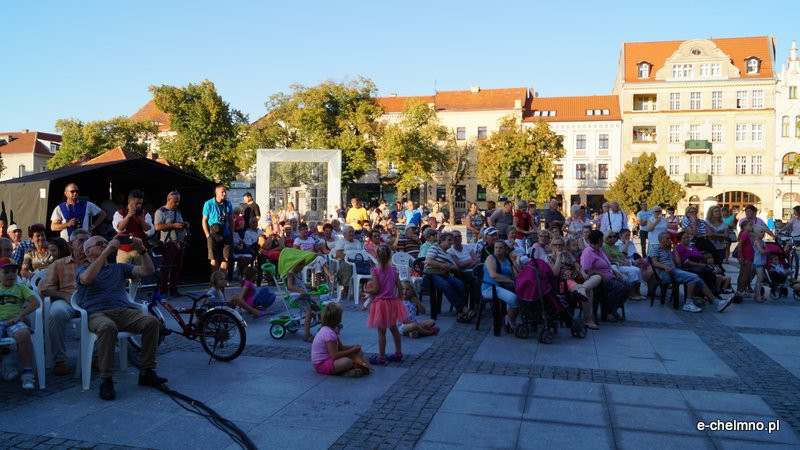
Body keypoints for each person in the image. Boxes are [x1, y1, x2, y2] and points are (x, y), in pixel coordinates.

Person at [76, 236, 166, 400]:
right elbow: (87, 279)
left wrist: (142, 249)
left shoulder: (118, 268)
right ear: (88, 252)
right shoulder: (82, 269)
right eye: (99, 244)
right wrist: (107, 251)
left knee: (152, 322)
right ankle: (106, 380)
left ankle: (147, 371)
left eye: (105, 242)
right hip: (97, 313)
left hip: (123, 311)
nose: (105, 244)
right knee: (107, 327)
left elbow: (148, 271)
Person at [39, 229, 89, 376]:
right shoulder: (59, 264)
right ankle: (59, 360)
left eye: (88, 240)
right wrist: (65, 296)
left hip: (91, 300)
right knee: (56, 313)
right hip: (67, 300)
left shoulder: (95, 262)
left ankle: (96, 356)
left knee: (104, 312)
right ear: (71, 244)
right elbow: (46, 289)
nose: (86, 244)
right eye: (81, 240)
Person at [648, 233, 733, 313]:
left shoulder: (668, 250)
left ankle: (716, 302)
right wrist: (665, 267)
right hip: (665, 274)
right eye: (667, 238)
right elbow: (654, 262)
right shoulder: (656, 249)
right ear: (661, 240)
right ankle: (690, 304)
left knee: (697, 279)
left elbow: (678, 264)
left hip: (674, 271)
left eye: (669, 238)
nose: (669, 240)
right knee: (695, 277)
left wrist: (675, 251)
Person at [0, 257, 40, 389]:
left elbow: (35, 303)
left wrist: (20, 315)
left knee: (24, 334)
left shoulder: (21, 288)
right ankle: (4, 365)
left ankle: (27, 372)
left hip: (14, 320)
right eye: (6, 272)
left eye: (13, 272)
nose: (10, 275)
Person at [362, 245, 406, 365]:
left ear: (377, 256)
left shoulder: (375, 271)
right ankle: (398, 353)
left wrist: (366, 290)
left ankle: (381, 356)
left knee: (381, 331)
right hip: (392, 302)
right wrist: (399, 300)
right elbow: (399, 287)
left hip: (381, 303)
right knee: (393, 328)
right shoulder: (393, 270)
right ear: (390, 256)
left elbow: (376, 289)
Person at [547, 236, 600, 330]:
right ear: (552, 246)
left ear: (564, 246)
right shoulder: (549, 257)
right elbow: (555, 273)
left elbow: (577, 265)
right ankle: (588, 320)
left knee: (597, 277)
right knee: (589, 291)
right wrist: (558, 257)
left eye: (560, 245)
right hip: (562, 282)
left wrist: (583, 274)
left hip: (576, 279)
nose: (558, 246)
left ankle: (582, 289)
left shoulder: (567, 254)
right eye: (555, 245)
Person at [580, 230, 630, 322]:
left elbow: (607, 264)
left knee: (628, 285)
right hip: (599, 280)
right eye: (602, 239)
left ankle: (612, 308)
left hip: (609, 275)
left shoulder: (599, 250)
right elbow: (587, 269)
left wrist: (615, 272)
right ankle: (610, 310)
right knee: (619, 287)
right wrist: (601, 274)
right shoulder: (588, 252)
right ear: (599, 240)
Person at [113, 189, 155, 292]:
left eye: (140, 203)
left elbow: (149, 232)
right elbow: (119, 229)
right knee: (121, 276)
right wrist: (128, 216)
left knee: (136, 277)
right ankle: (121, 297)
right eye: (136, 203)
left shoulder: (145, 214)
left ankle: (132, 298)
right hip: (124, 249)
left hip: (139, 250)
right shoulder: (120, 213)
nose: (139, 206)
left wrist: (141, 219)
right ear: (129, 201)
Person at [424, 232, 470, 322]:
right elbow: (429, 261)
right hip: (431, 274)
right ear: (442, 240)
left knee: (460, 284)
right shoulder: (434, 247)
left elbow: (455, 267)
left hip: (445, 275)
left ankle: (461, 313)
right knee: (446, 286)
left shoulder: (448, 254)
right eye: (449, 240)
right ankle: (464, 309)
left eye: (452, 240)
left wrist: (450, 267)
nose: (452, 242)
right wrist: (443, 266)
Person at [311, 302, 366, 377]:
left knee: (359, 352)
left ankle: (350, 368)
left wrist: (353, 347)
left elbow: (340, 347)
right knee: (347, 361)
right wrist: (352, 350)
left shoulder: (334, 329)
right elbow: (335, 355)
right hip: (321, 364)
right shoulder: (328, 333)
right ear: (337, 318)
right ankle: (345, 372)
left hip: (330, 359)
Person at [483, 240, 520, 332]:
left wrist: (514, 260)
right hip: (491, 287)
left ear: (505, 250)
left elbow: (517, 275)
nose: (498, 249)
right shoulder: (491, 258)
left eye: (500, 248)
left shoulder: (507, 260)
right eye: (496, 247)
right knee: (513, 298)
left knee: (522, 295)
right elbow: (493, 275)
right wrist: (510, 281)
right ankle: (511, 322)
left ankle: (507, 318)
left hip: (505, 287)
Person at [602, 232, 645, 300]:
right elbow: (609, 259)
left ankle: (638, 292)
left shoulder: (616, 246)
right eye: (610, 236)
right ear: (606, 238)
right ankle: (631, 293)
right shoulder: (605, 246)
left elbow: (622, 256)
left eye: (614, 236)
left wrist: (626, 261)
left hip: (622, 264)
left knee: (638, 270)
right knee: (633, 271)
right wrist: (622, 262)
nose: (612, 238)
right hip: (615, 265)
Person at [202, 185, 234, 272]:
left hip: (226, 234)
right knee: (214, 258)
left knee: (226, 258)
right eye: (222, 192)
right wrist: (207, 235)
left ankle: (222, 277)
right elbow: (204, 220)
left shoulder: (228, 204)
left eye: (225, 192)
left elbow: (231, 220)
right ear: (216, 193)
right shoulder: (208, 203)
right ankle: (215, 278)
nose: (224, 194)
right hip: (213, 234)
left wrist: (231, 233)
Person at [737, 220, 754, 298]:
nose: (752, 226)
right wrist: (742, 257)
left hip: (747, 257)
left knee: (742, 274)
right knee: (745, 275)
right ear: (744, 227)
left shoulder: (746, 234)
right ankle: (741, 291)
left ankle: (739, 290)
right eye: (750, 225)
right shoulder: (745, 234)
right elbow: (740, 246)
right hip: (746, 257)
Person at [752, 225, 768, 303]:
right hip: (758, 262)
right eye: (761, 232)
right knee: (759, 280)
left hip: (762, 262)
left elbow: (767, 251)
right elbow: (762, 251)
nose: (763, 233)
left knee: (759, 279)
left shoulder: (762, 241)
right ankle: (758, 296)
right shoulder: (757, 241)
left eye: (764, 232)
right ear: (756, 233)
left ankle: (756, 295)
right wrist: (766, 251)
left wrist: (766, 251)